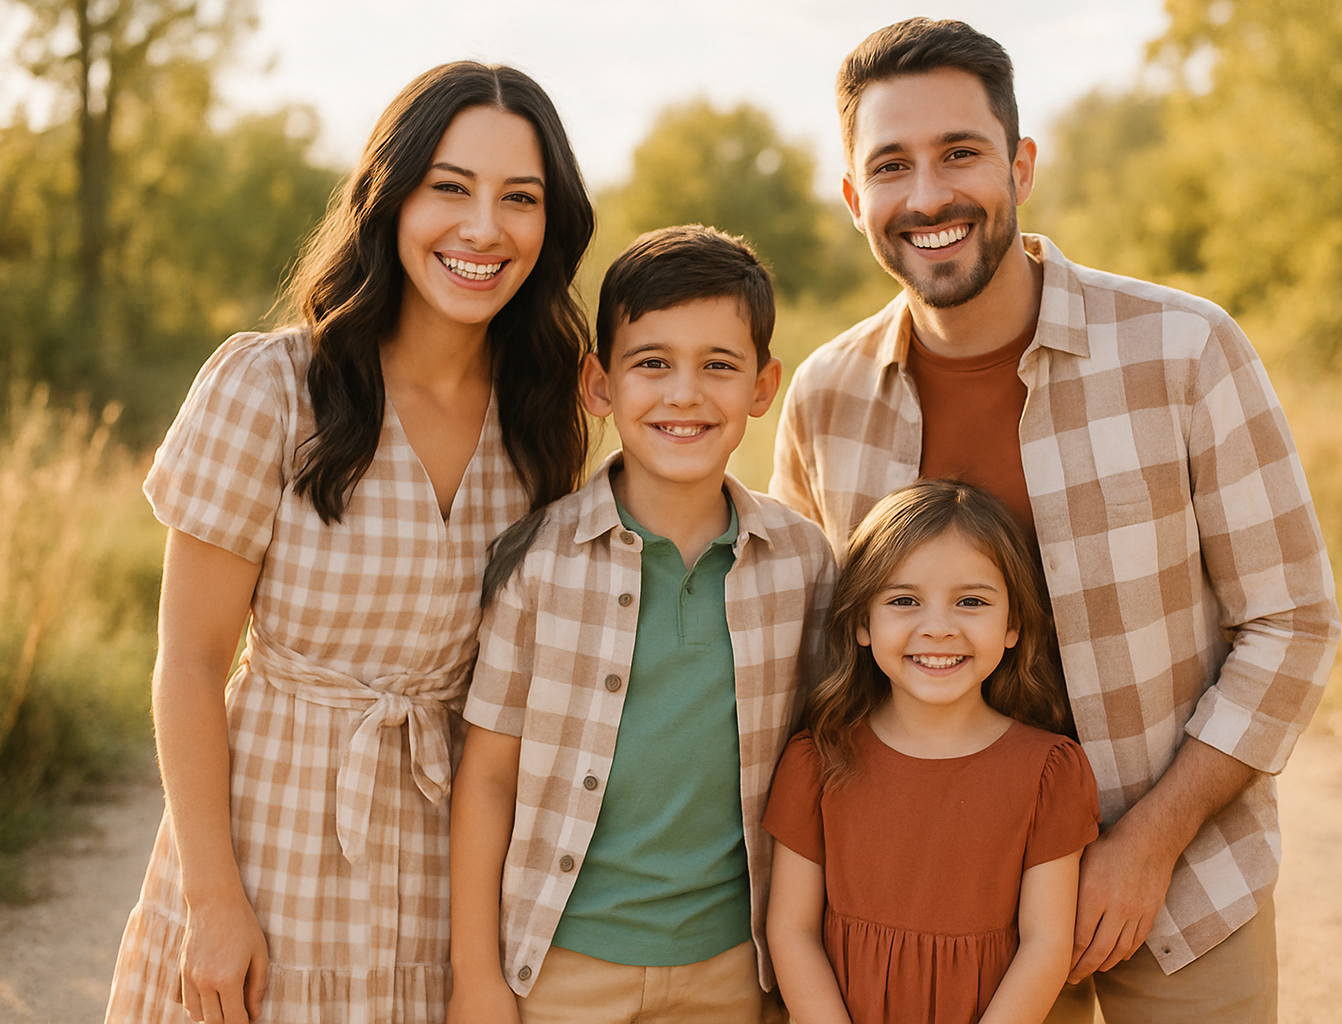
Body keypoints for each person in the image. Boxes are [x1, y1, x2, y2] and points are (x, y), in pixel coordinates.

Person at [770, 18, 1342, 1024]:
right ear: (857, 198)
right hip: (937, 922)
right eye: (892, 166)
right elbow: (810, 660)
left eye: (961, 154)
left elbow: (1292, 622)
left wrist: (1147, 843)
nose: (929, 195)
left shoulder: (1184, 351)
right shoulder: (827, 397)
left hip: (1177, 891)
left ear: (1020, 166)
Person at [105, 61, 595, 1024]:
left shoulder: (542, 420)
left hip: (441, 884)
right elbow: (192, 663)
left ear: (552, 224)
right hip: (268, 855)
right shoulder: (273, 388)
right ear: (391, 198)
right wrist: (213, 901)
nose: (483, 228)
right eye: (448, 188)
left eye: (520, 199)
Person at [447, 225, 836, 1024]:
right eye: (651, 363)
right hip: (560, 967)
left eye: (718, 366)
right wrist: (476, 979)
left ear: (763, 388)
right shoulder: (540, 560)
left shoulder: (803, 562)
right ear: (600, 383)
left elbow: (822, 772)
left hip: (733, 967)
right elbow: (487, 777)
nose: (684, 394)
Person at [764, 480, 1100, 1024]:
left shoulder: (1049, 771)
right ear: (861, 624)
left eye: (971, 602)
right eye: (904, 601)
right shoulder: (817, 762)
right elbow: (792, 930)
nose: (939, 628)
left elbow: (1046, 943)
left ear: (1013, 624)